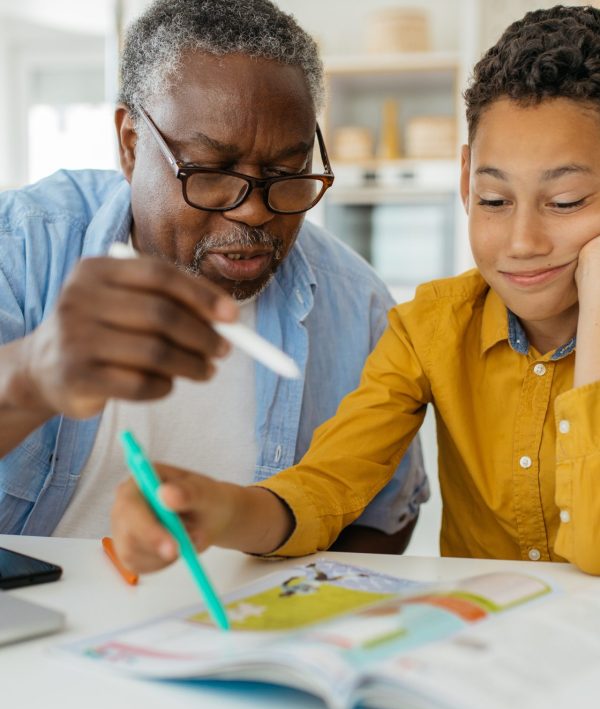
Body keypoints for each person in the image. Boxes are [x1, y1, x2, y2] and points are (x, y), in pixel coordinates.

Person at [112, 4, 600, 576]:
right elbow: (330, 483)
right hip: (485, 646)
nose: (522, 242)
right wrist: (223, 510)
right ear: (466, 180)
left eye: (567, 203)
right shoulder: (428, 331)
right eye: (494, 200)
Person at [0, 0, 427, 552]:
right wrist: (30, 377)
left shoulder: (356, 305)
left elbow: (384, 516)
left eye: (286, 172)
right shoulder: (21, 247)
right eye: (212, 171)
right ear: (131, 144)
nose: (253, 211)